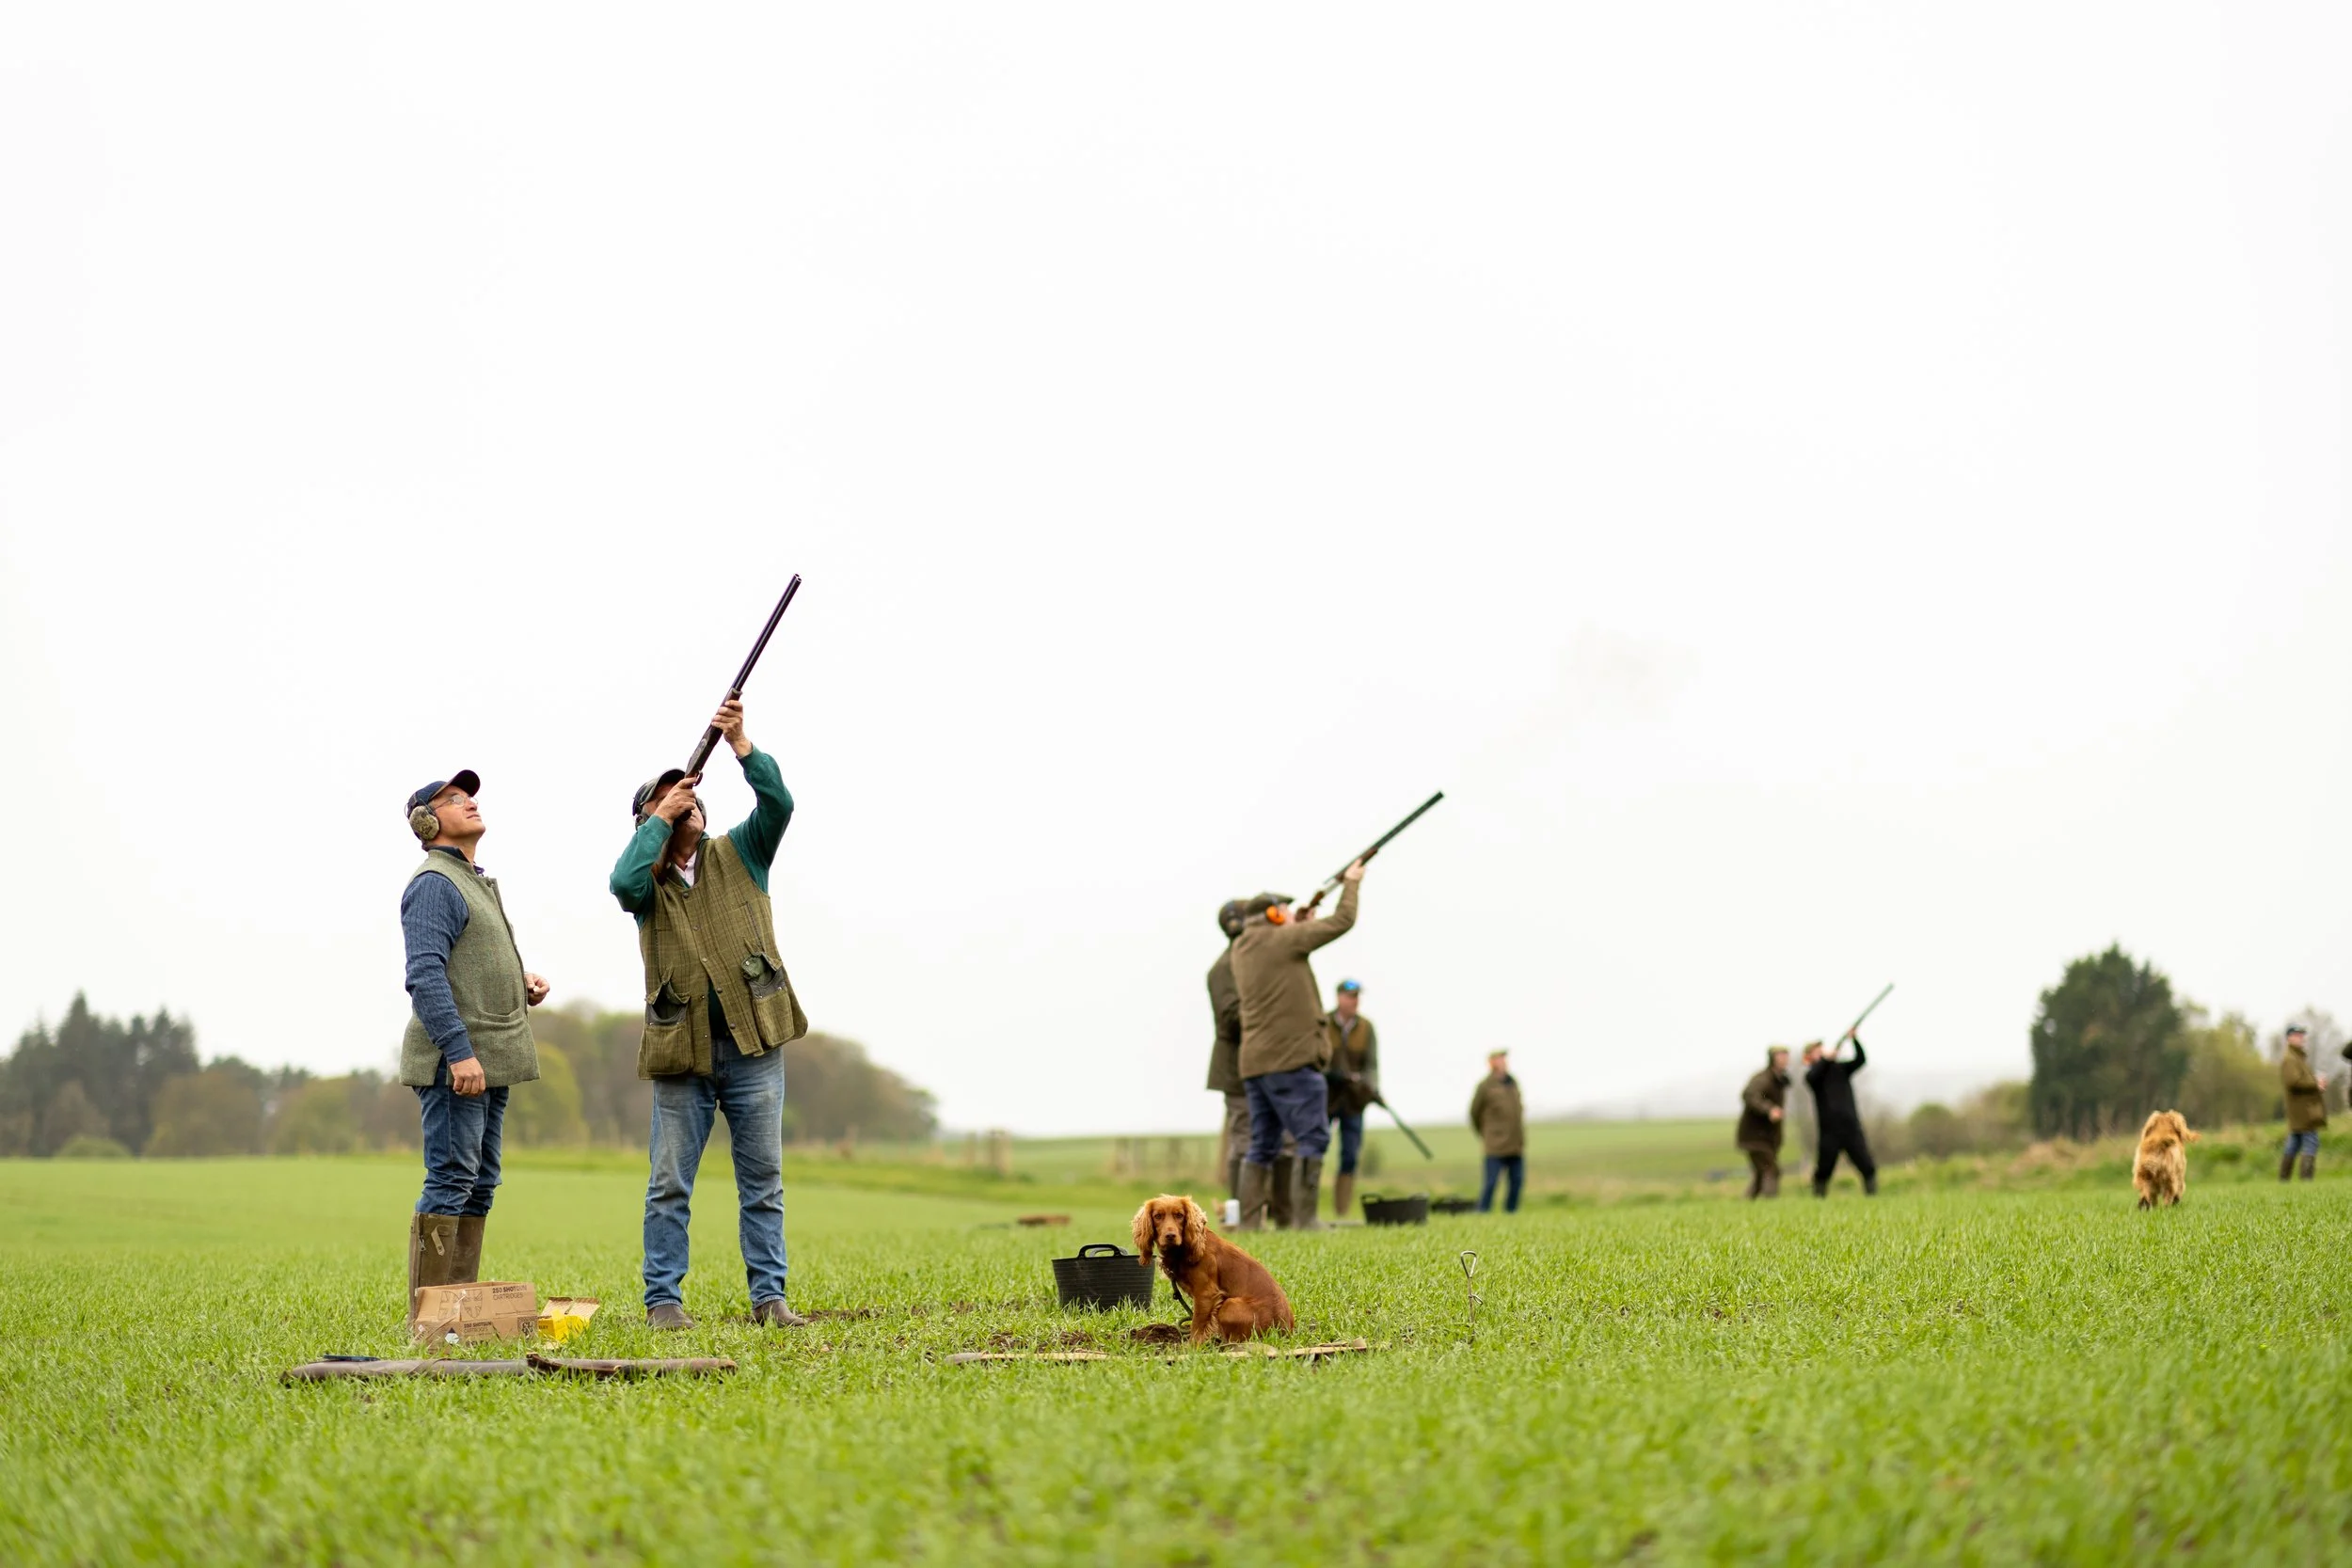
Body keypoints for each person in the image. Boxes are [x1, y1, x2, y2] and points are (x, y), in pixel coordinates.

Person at [610, 698, 810, 1330]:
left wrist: (741, 744)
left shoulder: (741, 851)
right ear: (648, 821)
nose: (684, 799)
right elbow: (621, 881)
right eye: (668, 798)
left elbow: (779, 803)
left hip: (755, 1046)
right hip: (683, 1054)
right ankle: (663, 1302)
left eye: (688, 793)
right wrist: (656, 822)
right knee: (669, 1185)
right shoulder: (648, 884)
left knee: (765, 1184)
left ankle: (770, 1300)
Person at [397, 770, 549, 1324]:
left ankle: (455, 1308)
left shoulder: (472, 880)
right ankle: (428, 1315)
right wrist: (459, 1051)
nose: (471, 803)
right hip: (458, 1064)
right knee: (452, 1178)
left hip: (491, 1060)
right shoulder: (435, 883)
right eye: (455, 800)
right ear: (427, 821)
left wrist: (519, 980)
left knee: (479, 1183)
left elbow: (466, 964)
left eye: (471, 796)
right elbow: (425, 975)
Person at [1232, 863, 1365, 1231]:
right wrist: (1351, 884)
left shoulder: (1243, 946)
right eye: (1285, 910)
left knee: (1263, 1143)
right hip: (1290, 1061)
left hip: (1256, 1064)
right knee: (1313, 1136)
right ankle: (1306, 1220)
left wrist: (1299, 922)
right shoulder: (1283, 939)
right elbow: (1342, 921)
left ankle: (1247, 1225)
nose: (1291, 913)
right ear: (1274, 915)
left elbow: (1285, 945)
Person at [1320, 979, 1380, 1223]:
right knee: (1316, 1149)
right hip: (1326, 1099)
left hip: (1354, 1101)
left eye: (1357, 996)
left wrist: (1369, 1086)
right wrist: (1335, 1076)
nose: (1354, 1000)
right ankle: (1307, 1207)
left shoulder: (1366, 1027)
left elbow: (1372, 1065)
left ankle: (1341, 1211)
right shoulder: (1323, 1022)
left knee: (1350, 1155)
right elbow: (1317, 1059)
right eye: (1350, 996)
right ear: (1339, 998)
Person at [1205, 899, 1249, 1205]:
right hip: (1235, 1066)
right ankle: (1239, 1208)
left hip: (1251, 1063)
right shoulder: (1224, 968)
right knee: (1242, 1140)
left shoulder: (1244, 962)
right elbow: (1230, 1019)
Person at [1804, 1036, 1876, 1196]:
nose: (1821, 1052)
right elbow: (1816, 1074)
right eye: (1816, 1051)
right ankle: (1818, 1198)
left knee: (1867, 1166)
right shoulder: (1813, 1075)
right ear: (1809, 1057)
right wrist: (1827, 1060)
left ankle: (1872, 1196)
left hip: (1851, 1127)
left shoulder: (1840, 1069)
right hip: (1829, 1131)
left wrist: (1854, 1039)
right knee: (1824, 1169)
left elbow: (1860, 1060)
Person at [1470, 1051, 1524, 1212]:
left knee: (1517, 1181)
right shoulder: (1485, 1086)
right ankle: (1482, 1213)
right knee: (1491, 1183)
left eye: (1504, 1059)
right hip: (1495, 1143)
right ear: (1491, 1062)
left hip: (1515, 1142)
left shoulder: (1512, 1083)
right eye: (1499, 1059)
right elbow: (1474, 1113)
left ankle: (1511, 1214)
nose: (1503, 1062)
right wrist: (1487, 1134)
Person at [1736, 1047, 1792, 1199]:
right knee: (1771, 1170)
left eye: (1786, 1056)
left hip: (1767, 1136)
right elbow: (1749, 1095)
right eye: (1781, 1056)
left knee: (1761, 1174)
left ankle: (1747, 1205)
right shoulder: (1763, 1078)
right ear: (1772, 1058)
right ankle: (1770, 1206)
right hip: (1755, 1136)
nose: (1785, 1059)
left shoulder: (1779, 1079)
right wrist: (1769, 1109)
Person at [2280, 1023, 2326, 1181]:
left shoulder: (2297, 1057)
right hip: (2302, 1110)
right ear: (2289, 1038)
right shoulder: (2290, 1059)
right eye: (2298, 1035)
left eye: (2302, 1035)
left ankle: (2284, 1180)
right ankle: (2306, 1181)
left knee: (2294, 1143)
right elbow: (2293, 1082)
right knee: (2311, 1141)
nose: (2301, 1038)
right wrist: (2316, 1084)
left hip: (2302, 1109)